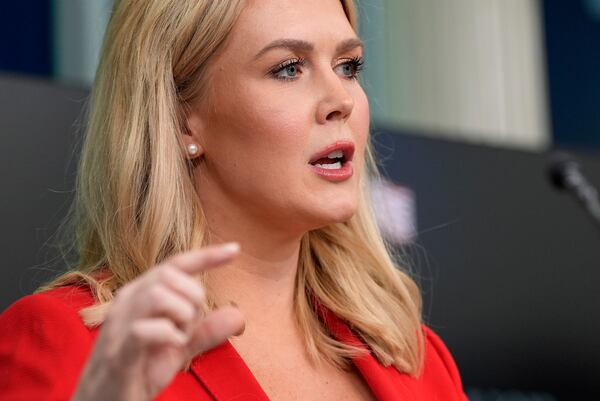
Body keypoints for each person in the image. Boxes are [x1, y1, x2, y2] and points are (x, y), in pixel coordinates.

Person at [0, 1, 468, 400]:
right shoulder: (68, 342)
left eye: (348, 66)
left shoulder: (415, 358)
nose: (340, 99)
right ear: (183, 119)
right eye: (288, 68)